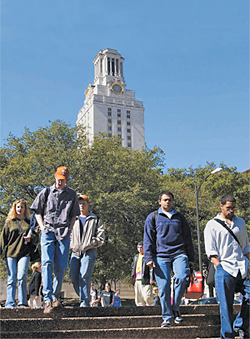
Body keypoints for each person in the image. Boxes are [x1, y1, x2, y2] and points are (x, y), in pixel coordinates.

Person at [30, 166, 80, 314]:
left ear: (66, 180)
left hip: (63, 232)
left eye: (63, 180)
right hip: (48, 231)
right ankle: (47, 299)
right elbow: (37, 211)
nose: (60, 182)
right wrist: (42, 226)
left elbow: (74, 215)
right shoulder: (45, 192)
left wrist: (70, 230)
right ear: (54, 177)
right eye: (58, 179)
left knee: (61, 266)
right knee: (47, 263)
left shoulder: (72, 194)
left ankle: (55, 297)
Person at [143, 190, 194, 327]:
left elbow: (188, 238)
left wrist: (191, 257)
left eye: (170, 199)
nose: (168, 202)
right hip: (161, 255)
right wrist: (148, 257)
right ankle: (166, 316)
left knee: (182, 277)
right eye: (165, 200)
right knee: (164, 286)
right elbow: (148, 239)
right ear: (159, 201)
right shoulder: (153, 217)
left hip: (179, 253)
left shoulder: (180, 217)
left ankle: (175, 307)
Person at [204, 194, 250, 339]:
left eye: (233, 208)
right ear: (221, 207)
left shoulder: (240, 222)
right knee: (226, 305)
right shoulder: (212, 225)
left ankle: (240, 325)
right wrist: (219, 267)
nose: (231, 211)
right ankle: (227, 335)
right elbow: (211, 251)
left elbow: (246, 247)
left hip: (242, 266)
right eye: (228, 208)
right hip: (224, 267)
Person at [69, 194, 104, 307]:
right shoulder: (73, 218)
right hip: (75, 251)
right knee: (73, 277)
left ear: (88, 204)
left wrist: (91, 243)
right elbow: (68, 234)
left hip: (89, 251)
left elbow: (101, 237)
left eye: (83, 203)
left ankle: (84, 302)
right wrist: (71, 245)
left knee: (84, 275)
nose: (81, 206)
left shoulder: (95, 219)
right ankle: (83, 297)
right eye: (79, 203)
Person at [0, 199, 31, 308]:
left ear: (25, 209)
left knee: (22, 276)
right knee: (11, 278)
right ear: (15, 208)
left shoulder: (29, 222)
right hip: (11, 254)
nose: (20, 209)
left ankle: (22, 302)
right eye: (18, 207)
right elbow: (3, 239)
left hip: (24, 253)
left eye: (22, 207)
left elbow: (36, 238)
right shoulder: (9, 222)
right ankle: (10, 302)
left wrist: (31, 238)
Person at [131, 241, 154, 306]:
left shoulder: (147, 256)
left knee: (147, 296)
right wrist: (132, 279)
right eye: (138, 247)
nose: (140, 249)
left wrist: (152, 278)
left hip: (145, 279)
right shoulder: (136, 257)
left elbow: (151, 268)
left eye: (141, 247)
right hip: (137, 280)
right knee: (139, 299)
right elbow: (133, 268)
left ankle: (150, 310)